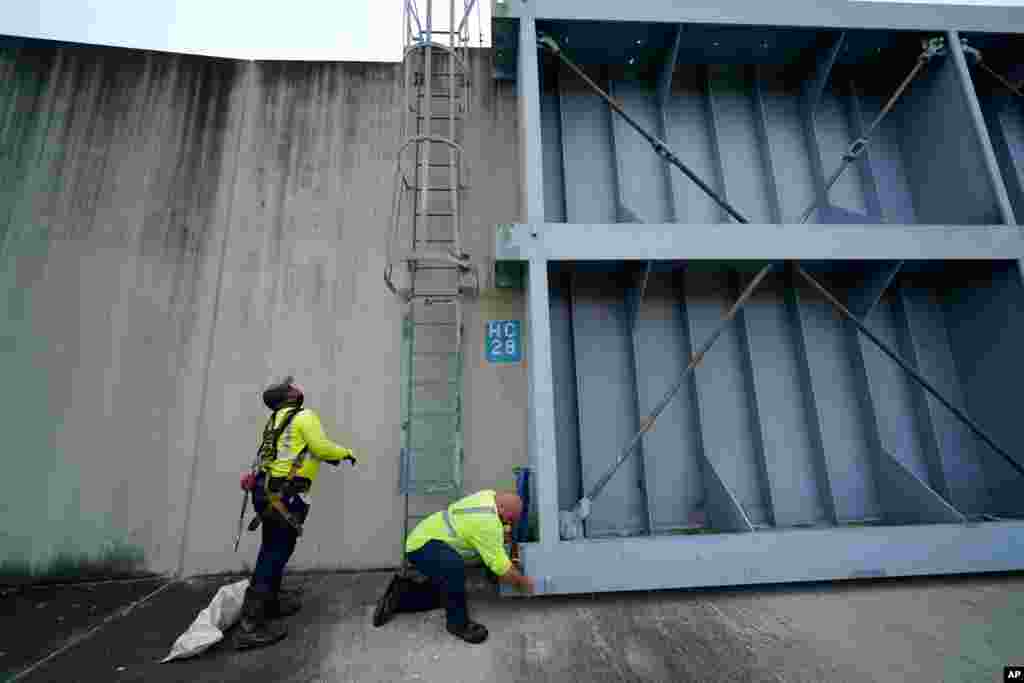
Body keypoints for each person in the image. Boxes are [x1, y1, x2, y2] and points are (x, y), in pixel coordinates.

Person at [234, 376, 358, 650]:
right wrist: (346, 452)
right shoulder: (303, 416)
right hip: (285, 495)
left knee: (275, 548)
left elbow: (289, 452)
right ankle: (250, 625)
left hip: (267, 492)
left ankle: (271, 603)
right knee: (274, 553)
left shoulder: (275, 420)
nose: (297, 388)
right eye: (291, 387)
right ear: (289, 396)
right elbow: (321, 447)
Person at [371, 490, 535, 644]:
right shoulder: (487, 523)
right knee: (454, 569)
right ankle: (458, 625)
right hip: (422, 546)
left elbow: (494, 543)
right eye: (509, 519)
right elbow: (502, 568)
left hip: (428, 534)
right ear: (501, 509)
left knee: (448, 595)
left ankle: (399, 597)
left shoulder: (489, 496)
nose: (509, 525)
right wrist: (524, 583)